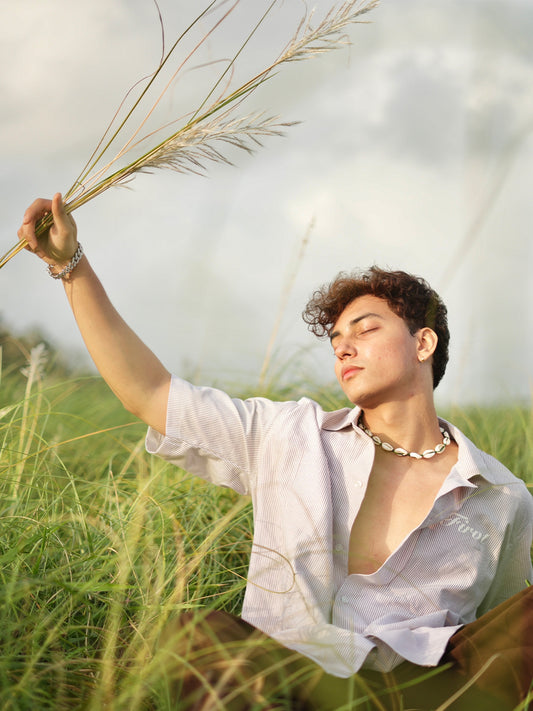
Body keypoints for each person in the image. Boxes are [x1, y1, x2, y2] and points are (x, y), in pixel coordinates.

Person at [18, 194, 533, 710]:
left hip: (422, 694)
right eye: (335, 341)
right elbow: (150, 393)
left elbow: (495, 633)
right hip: (292, 681)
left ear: (424, 344)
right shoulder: (288, 435)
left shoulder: (502, 498)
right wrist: (70, 266)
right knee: (199, 633)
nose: (344, 347)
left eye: (366, 328)